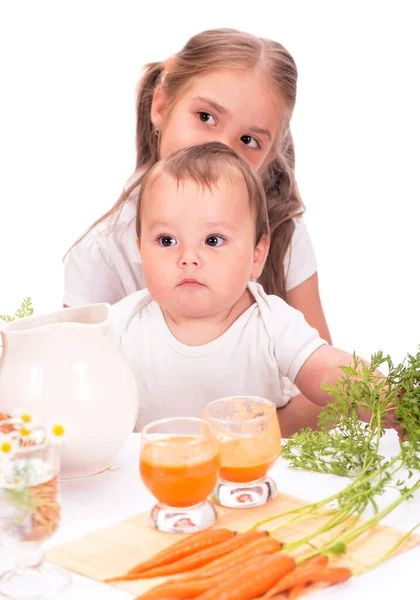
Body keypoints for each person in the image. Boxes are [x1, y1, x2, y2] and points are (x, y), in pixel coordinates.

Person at [64, 28, 331, 433]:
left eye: (248, 139)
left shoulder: (285, 236)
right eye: (205, 117)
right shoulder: (101, 251)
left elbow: (319, 390)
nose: (222, 148)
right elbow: (74, 385)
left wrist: (238, 440)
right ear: (162, 102)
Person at [111, 142, 356, 436]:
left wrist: (384, 397)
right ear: (140, 249)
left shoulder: (271, 323)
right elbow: (71, 375)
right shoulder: (122, 323)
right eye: (167, 240)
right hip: (159, 476)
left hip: (252, 472)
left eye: (213, 240)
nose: (188, 257)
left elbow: (327, 369)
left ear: (256, 256)